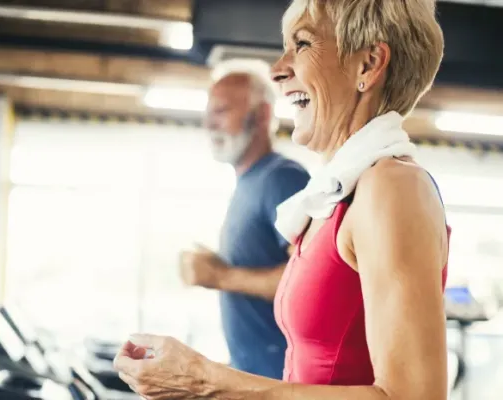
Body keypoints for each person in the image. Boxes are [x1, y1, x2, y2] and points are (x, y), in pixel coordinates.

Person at [114, 1, 451, 399]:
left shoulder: (392, 188)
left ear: (368, 65)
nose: (278, 69)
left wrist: (206, 381)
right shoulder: (339, 198)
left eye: (302, 44)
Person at [178, 60, 311, 379]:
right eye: (209, 114)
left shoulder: (283, 179)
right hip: (253, 375)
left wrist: (220, 276)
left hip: (280, 382)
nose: (210, 124)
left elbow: (311, 281)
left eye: (222, 111)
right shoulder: (249, 183)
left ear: (263, 115)